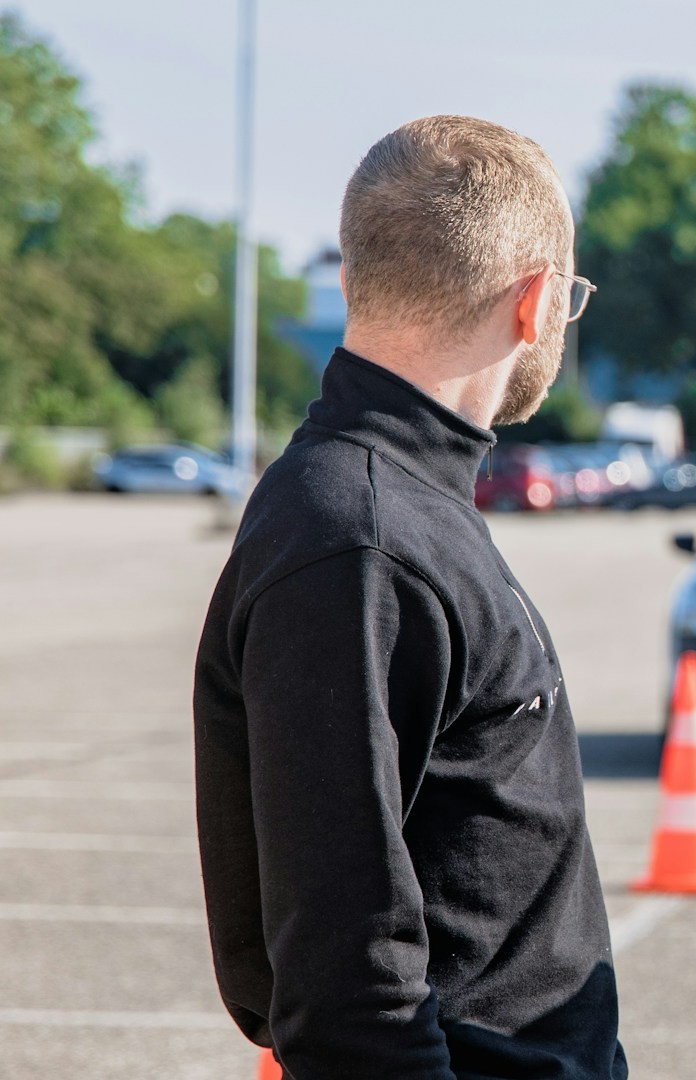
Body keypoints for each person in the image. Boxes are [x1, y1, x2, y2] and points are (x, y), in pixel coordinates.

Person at [193, 116, 624, 1080]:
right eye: (573, 300)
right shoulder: (360, 539)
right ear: (539, 301)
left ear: (354, 281)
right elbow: (347, 990)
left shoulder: (395, 506)